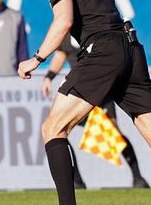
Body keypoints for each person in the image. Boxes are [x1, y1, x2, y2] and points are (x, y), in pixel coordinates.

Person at [18, 0, 151, 205]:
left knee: (53, 128)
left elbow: (63, 21)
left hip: (101, 52)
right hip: (130, 47)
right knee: (147, 125)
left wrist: (36, 59)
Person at [42, 36, 149, 189]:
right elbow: (61, 53)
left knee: (113, 135)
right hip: (80, 91)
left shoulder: (96, 26)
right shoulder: (67, 27)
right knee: (57, 130)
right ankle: (76, 180)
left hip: (102, 88)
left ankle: (138, 177)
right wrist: (49, 77)